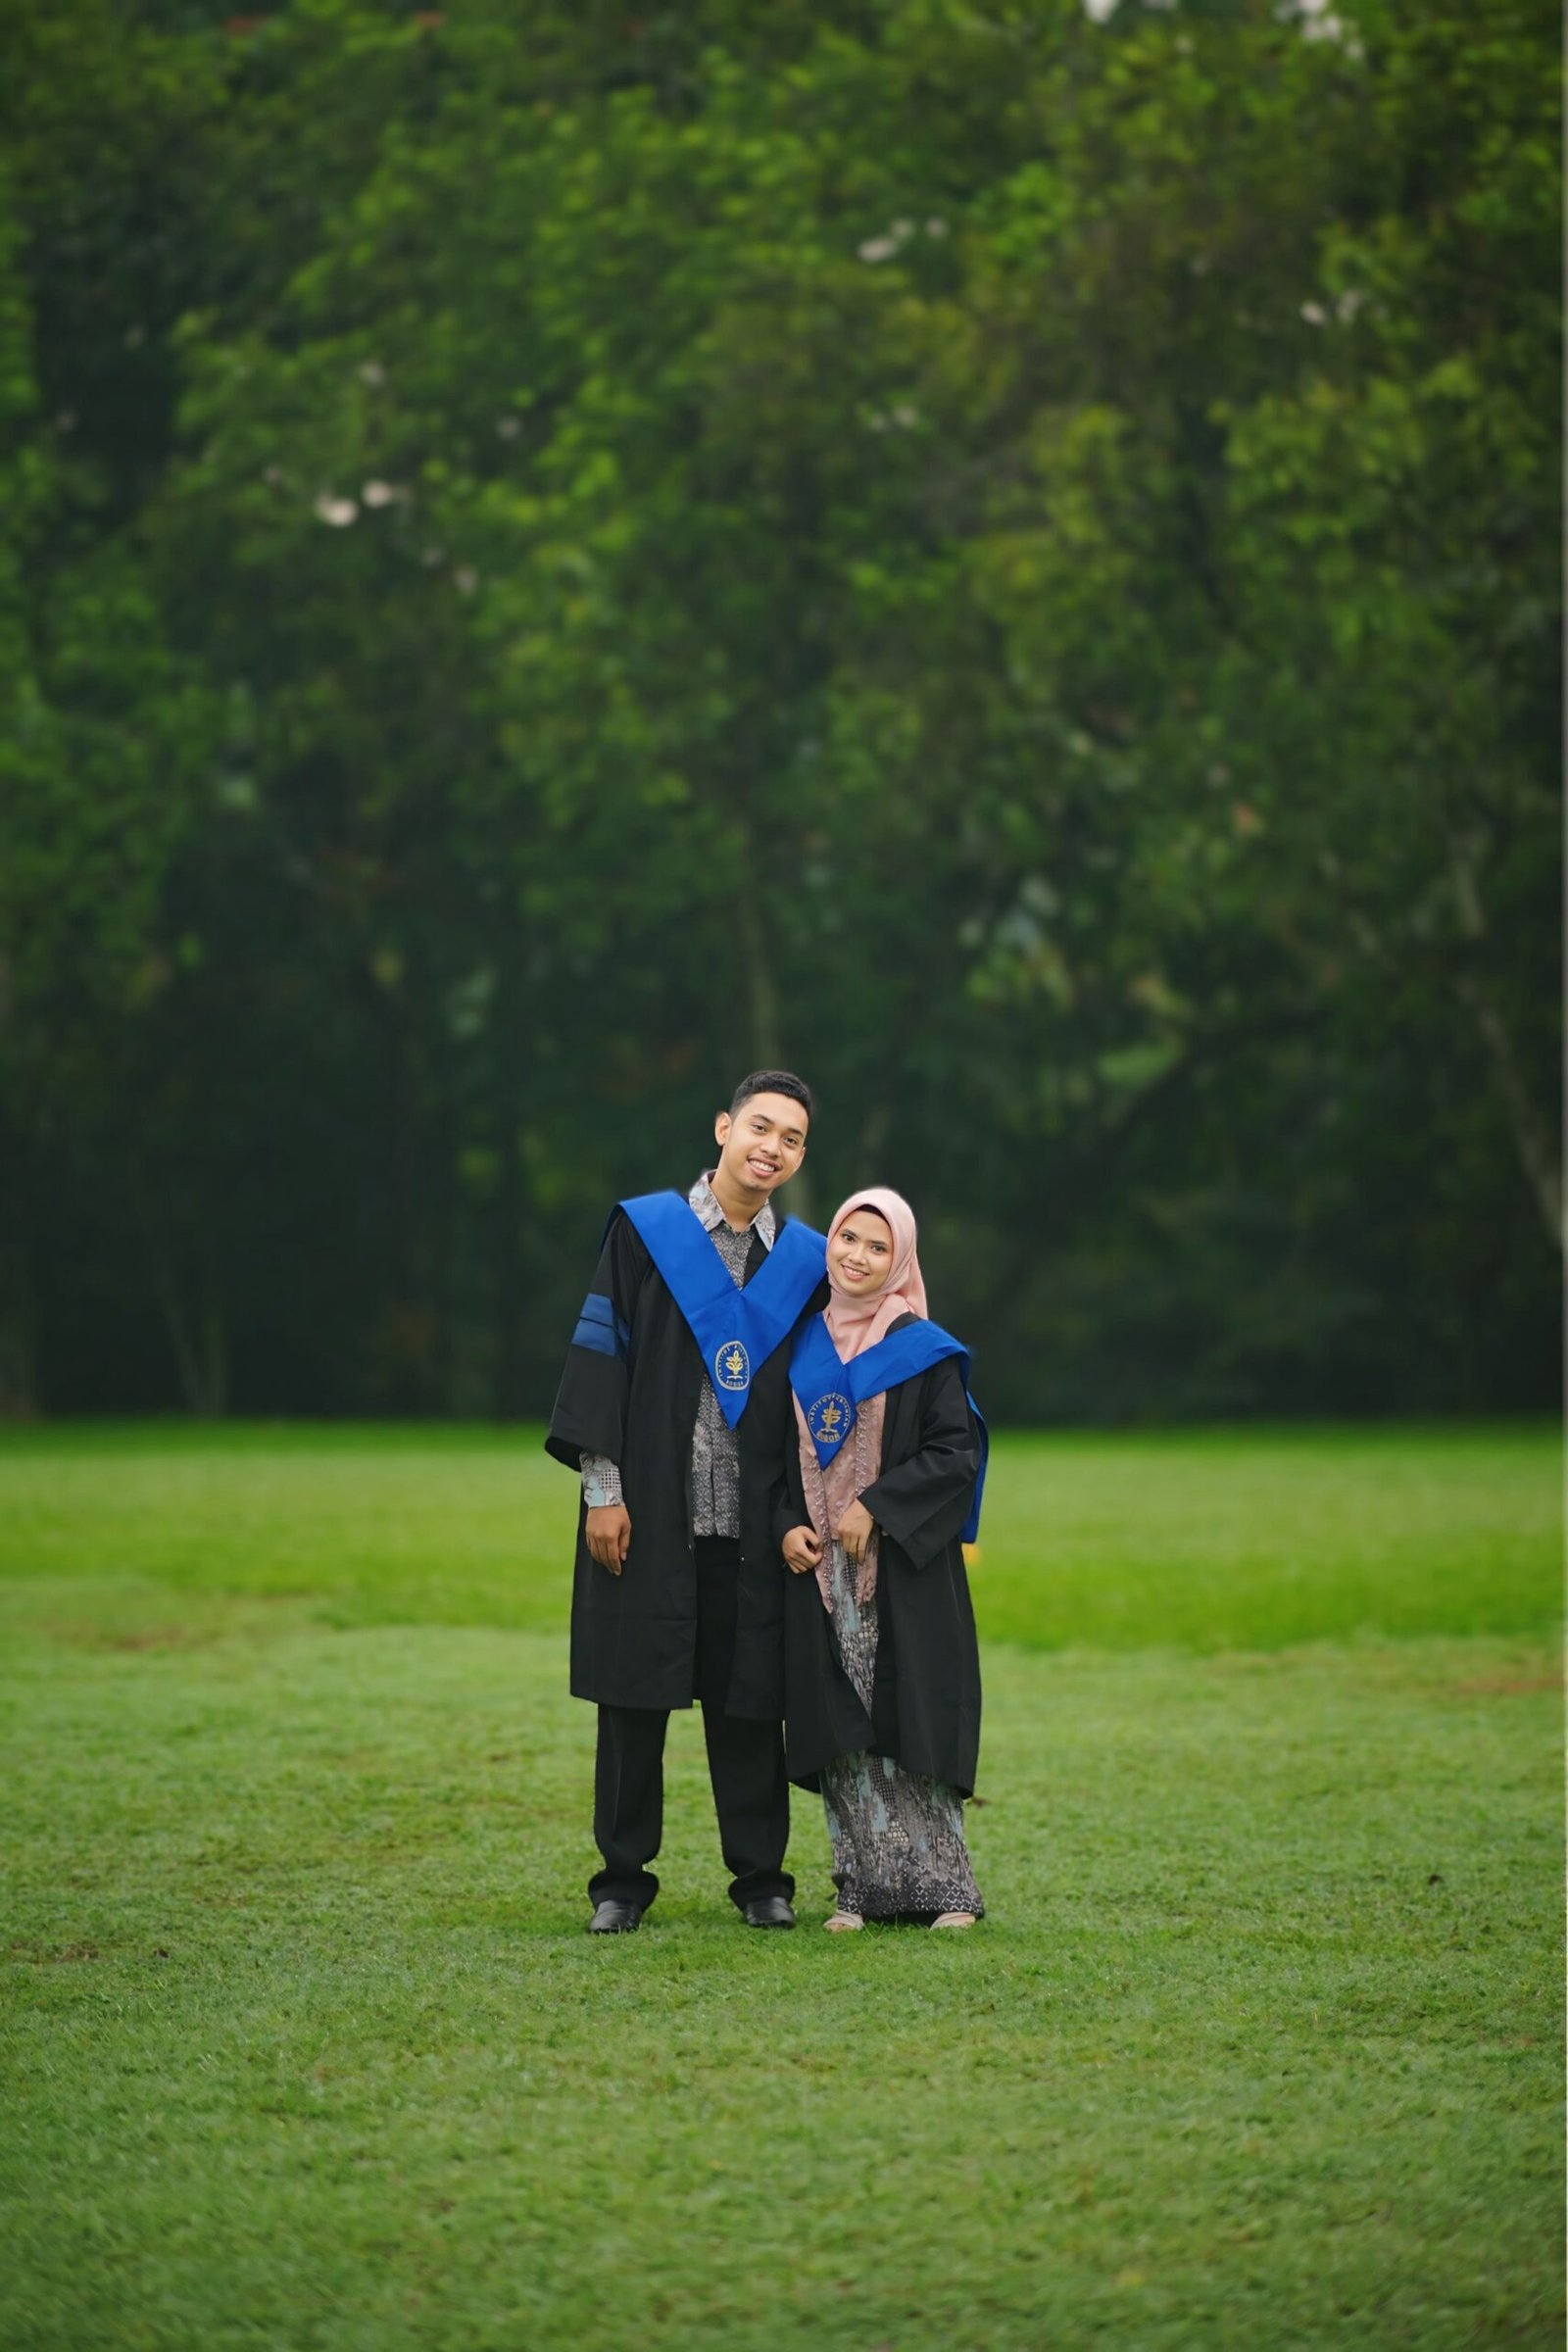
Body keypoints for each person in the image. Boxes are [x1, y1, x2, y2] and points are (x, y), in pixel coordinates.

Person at [545, 1071, 828, 1934]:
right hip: (652, 1510)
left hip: (755, 1518)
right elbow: (602, 1362)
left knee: (754, 1700)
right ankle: (621, 1882)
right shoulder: (646, 1233)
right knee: (632, 1696)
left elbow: (821, 1390)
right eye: (760, 1127)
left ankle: (762, 1880)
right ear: (723, 1128)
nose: (772, 1148)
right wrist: (603, 1491)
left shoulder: (804, 1264)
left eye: (792, 1139)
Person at [778, 1188, 986, 1930]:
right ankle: (858, 1889)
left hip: (901, 1573)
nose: (858, 1257)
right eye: (847, 1239)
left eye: (877, 1247)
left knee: (910, 1720)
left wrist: (878, 1505)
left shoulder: (922, 1350)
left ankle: (947, 1891)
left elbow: (954, 1453)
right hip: (819, 1577)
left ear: (900, 1260)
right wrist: (784, 1525)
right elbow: (771, 1459)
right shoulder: (800, 1345)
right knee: (843, 1729)